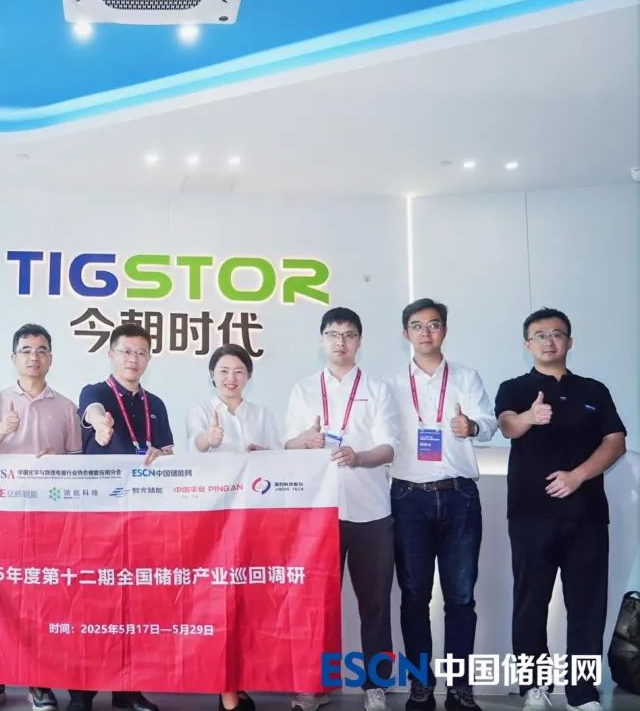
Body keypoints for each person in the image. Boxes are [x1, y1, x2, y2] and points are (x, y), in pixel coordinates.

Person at [495, 308, 626, 711]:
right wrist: (530, 417)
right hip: (530, 515)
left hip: (586, 515)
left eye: (557, 334)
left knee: (587, 606)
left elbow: (616, 441)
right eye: (540, 335)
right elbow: (507, 425)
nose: (549, 341)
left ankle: (582, 693)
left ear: (570, 341)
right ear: (527, 344)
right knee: (530, 603)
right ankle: (534, 687)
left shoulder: (594, 390)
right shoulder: (514, 388)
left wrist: (578, 476)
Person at [284, 307, 399, 711]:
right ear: (322, 340)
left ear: (359, 341)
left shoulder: (378, 389)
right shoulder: (303, 389)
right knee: (316, 604)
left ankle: (376, 685)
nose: (341, 342)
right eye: (333, 334)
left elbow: (389, 448)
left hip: (370, 510)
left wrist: (358, 456)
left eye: (349, 335)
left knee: (375, 603)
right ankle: (314, 686)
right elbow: (288, 446)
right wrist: (304, 441)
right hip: (318, 514)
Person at [388, 299, 497, 711]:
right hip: (408, 497)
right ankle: (420, 685)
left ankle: (459, 688)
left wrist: (472, 426)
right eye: (417, 326)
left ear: (444, 331)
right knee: (414, 596)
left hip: (459, 496)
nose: (426, 333)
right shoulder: (389, 383)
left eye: (434, 325)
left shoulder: (466, 377)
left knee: (461, 597)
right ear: (406, 334)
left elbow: (488, 424)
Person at [0, 323, 82, 711]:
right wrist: (3, 429)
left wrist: (59, 461)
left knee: (41, 600)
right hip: (0, 516)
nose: (35, 357)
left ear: (51, 357)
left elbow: (78, 464)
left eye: (42, 350)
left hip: (47, 517)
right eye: (27, 350)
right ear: (14, 357)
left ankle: (39, 682)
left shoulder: (66, 407)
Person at [70, 323, 175, 711]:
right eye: (127, 351)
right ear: (111, 354)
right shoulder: (95, 392)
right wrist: (101, 425)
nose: (134, 359)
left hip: (142, 515)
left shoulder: (156, 404)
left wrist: (161, 456)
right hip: (99, 516)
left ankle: (127, 689)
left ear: (149, 359)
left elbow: (169, 454)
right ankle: (82, 691)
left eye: (141, 352)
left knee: (135, 603)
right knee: (93, 602)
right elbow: (94, 414)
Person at [186, 343, 280, 711]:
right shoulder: (200, 411)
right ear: (212, 375)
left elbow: (279, 460)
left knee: (247, 603)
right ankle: (226, 689)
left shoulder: (262, 414)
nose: (231, 378)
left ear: (249, 377)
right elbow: (193, 451)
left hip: (254, 518)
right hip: (216, 521)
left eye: (239, 371)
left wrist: (264, 457)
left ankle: (237, 682)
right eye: (223, 371)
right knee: (219, 602)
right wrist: (208, 440)